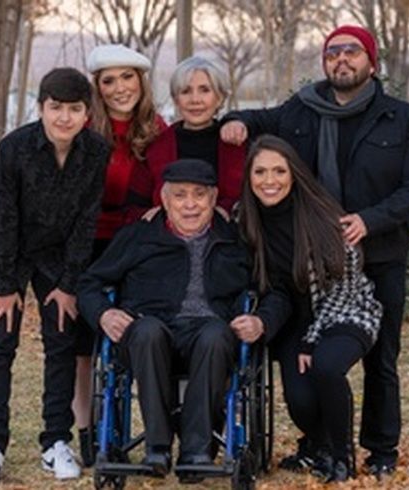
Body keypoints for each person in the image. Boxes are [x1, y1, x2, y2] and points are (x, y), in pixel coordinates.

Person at [221, 25, 409, 477]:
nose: (341, 59)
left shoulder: (403, 118)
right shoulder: (303, 109)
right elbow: (264, 123)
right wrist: (234, 119)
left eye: (351, 52)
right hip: (310, 263)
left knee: (381, 359)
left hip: (379, 254)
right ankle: (318, 444)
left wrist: (368, 219)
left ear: (371, 63)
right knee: (306, 360)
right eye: (332, 52)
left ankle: (380, 450)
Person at [77, 159, 286, 481]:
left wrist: (262, 321)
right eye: (179, 195)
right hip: (149, 333)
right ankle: (157, 448)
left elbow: (276, 292)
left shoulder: (237, 240)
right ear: (164, 198)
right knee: (146, 331)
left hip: (211, 335)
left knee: (216, 334)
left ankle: (195, 451)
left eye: (199, 195)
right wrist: (103, 314)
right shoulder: (138, 237)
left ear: (214, 199)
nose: (190, 204)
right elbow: (88, 284)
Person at [0, 68, 110, 489]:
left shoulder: (97, 151)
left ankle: (55, 441)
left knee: (62, 342)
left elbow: (87, 220)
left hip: (58, 255)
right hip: (7, 249)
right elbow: (6, 215)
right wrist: (6, 285)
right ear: (40, 108)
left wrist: (69, 284)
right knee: (0, 342)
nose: (64, 118)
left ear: (87, 112)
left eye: (74, 109)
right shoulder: (14, 148)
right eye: (55, 108)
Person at [237, 134, 383, 482]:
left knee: (327, 367)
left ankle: (341, 455)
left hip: (345, 312)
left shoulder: (324, 216)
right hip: (291, 320)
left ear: (294, 174)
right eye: (260, 172)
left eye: (278, 171)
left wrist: (311, 341)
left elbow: (344, 288)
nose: (269, 181)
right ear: (249, 177)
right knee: (300, 400)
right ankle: (316, 445)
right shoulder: (244, 218)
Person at [73, 43, 167, 468]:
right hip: (88, 241)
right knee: (84, 344)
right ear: (97, 87)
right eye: (108, 81)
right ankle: (88, 430)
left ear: (141, 81)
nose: (119, 88)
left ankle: (159, 431)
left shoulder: (159, 129)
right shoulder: (84, 129)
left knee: (141, 334)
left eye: (127, 77)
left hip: (138, 246)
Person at [145, 56, 246, 213]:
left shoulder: (238, 141)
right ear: (176, 100)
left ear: (219, 98)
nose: (195, 100)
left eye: (205, 90)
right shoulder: (157, 145)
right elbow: (139, 203)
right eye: (186, 91)